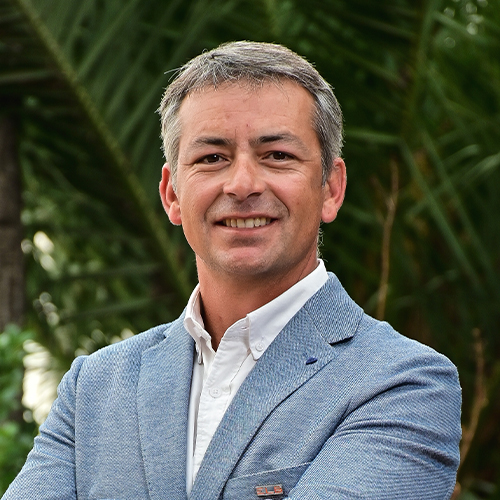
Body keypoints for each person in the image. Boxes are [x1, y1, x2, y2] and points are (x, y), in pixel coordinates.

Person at [3, 41, 461, 500]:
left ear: (331, 189)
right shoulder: (95, 388)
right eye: (212, 158)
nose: (242, 185)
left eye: (277, 155)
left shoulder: (402, 385)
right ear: (172, 195)